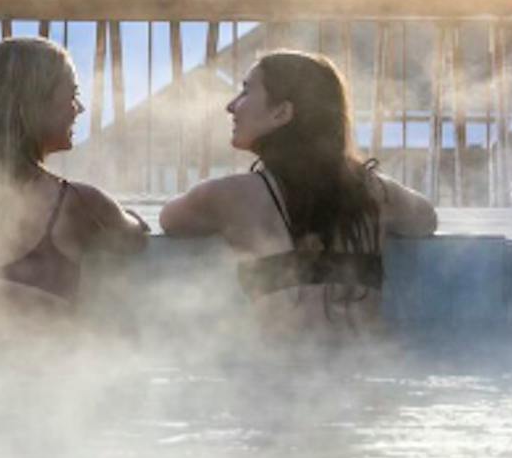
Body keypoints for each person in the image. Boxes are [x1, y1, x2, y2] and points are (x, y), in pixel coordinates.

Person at [158, 50, 436, 334]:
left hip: (282, 375)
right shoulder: (375, 192)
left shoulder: (231, 197)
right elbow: (425, 219)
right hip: (367, 369)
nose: (232, 106)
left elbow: (169, 219)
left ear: (282, 113)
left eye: (245, 91)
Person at [0, 36, 148, 320]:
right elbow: (135, 237)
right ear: (33, 105)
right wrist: (121, 214)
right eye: (72, 95)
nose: (79, 108)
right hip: (48, 360)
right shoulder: (78, 203)